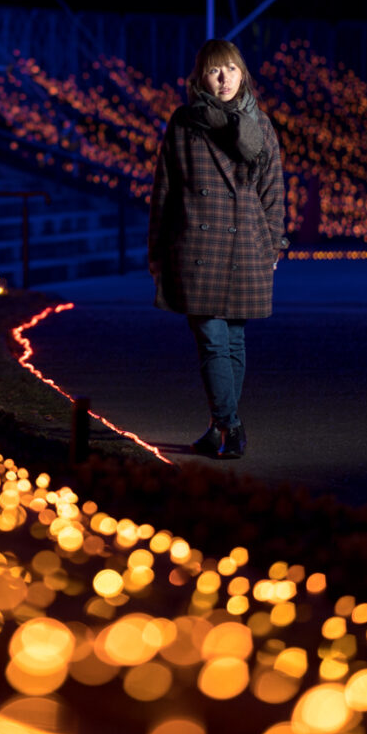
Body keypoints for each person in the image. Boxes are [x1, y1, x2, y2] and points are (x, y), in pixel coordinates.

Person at [148, 39, 286, 458]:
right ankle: (230, 424)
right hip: (197, 243)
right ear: (201, 78)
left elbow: (273, 190)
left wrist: (274, 242)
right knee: (211, 338)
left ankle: (219, 427)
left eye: (230, 69)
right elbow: (164, 191)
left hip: (246, 241)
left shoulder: (259, 125)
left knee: (234, 340)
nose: (224, 78)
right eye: (214, 71)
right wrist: (157, 249)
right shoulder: (183, 123)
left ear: (242, 74)